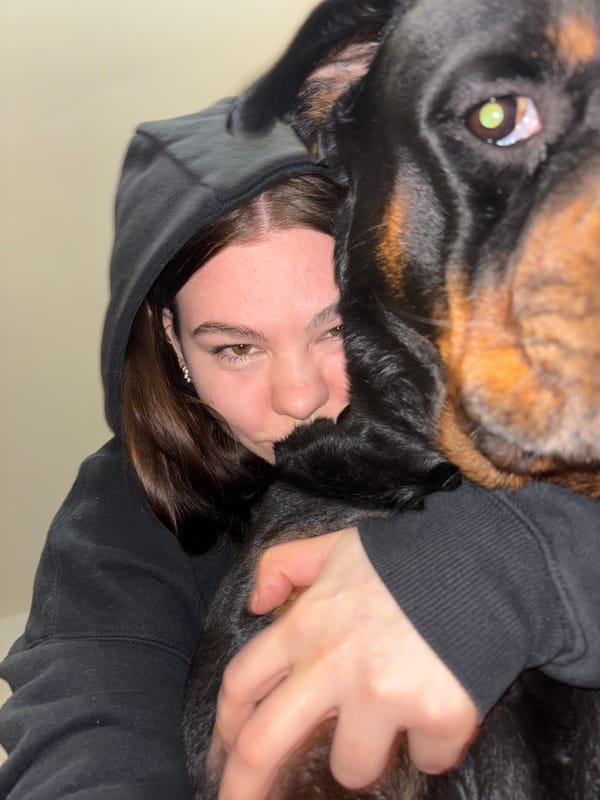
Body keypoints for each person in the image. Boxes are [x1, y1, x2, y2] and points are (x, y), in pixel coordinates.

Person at [0, 96, 598, 800]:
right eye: (236, 348)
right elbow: (87, 728)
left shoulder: (521, 406)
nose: (298, 397)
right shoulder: (123, 509)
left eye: (338, 327)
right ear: (170, 338)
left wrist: (500, 566)